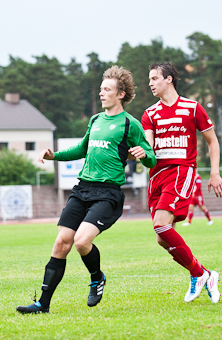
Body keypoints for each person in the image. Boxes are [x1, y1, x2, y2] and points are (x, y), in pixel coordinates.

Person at [16, 66, 156, 314]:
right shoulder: (95, 120)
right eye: (101, 89)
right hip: (82, 189)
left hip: (108, 193)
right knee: (61, 243)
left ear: (121, 94)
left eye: (107, 89)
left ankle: (97, 277)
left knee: (81, 242)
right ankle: (42, 305)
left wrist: (145, 154)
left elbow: (152, 159)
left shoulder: (129, 124)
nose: (102, 93)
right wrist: (54, 156)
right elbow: (81, 149)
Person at [142, 62, 222, 304]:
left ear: (169, 79)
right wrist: (135, 151)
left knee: (160, 225)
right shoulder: (149, 114)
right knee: (162, 236)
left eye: (154, 78)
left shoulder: (192, 108)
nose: (150, 83)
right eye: (149, 79)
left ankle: (199, 274)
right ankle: (204, 274)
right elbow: (148, 147)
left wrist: (215, 173)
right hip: (156, 176)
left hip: (181, 171)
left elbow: (212, 141)